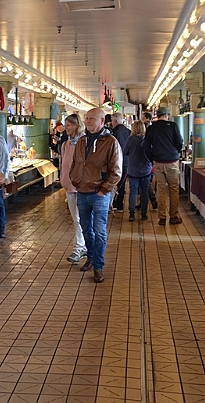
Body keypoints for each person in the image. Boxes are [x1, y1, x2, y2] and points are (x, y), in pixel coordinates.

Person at [70, 108, 122, 283]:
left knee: (99, 232)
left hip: (99, 194)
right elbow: (75, 164)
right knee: (85, 228)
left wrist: (104, 190)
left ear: (102, 121)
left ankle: (98, 266)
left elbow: (116, 171)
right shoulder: (81, 141)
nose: (88, 121)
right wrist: (74, 180)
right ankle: (90, 258)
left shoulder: (111, 142)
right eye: (86, 118)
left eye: (92, 118)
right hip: (82, 192)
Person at [144, 107, 184, 226]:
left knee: (161, 189)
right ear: (166, 115)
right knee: (173, 189)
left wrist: (152, 158)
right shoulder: (173, 126)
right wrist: (175, 152)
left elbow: (146, 147)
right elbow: (179, 142)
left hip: (158, 161)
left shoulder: (151, 128)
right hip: (172, 161)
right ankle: (173, 216)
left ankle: (162, 217)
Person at [60, 113, 87, 264]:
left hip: (83, 187)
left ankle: (81, 247)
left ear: (76, 126)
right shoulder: (66, 144)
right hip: (69, 187)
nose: (66, 128)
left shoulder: (85, 142)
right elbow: (64, 164)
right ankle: (80, 247)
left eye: (68, 125)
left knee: (83, 219)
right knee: (76, 219)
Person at [123, 121, 152, 222]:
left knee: (133, 192)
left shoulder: (131, 139)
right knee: (144, 192)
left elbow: (125, 151)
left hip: (133, 170)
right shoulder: (147, 139)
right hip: (146, 169)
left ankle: (131, 213)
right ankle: (144, 213)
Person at [109, 112, 131, 212]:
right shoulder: (129, 131)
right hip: (127, 161)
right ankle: (120, 204)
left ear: (115, 121)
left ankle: (114, 203)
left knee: (114, 182)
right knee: (122, 183)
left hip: (116, 161)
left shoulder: (114, 132)